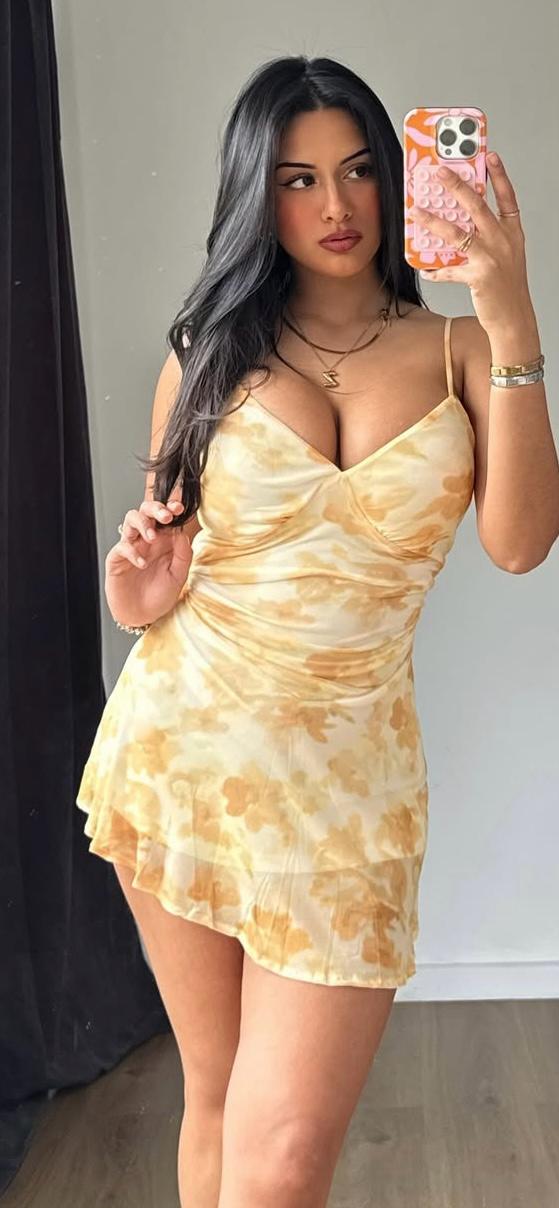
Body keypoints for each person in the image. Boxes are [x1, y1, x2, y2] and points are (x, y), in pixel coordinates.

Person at [76, 54, 552, 1208]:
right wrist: (136, 586)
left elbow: (520, 541)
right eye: (296, 180)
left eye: (355, 171)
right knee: (215, 1092)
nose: (334, 206)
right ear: (258, 194)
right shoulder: (206, 351)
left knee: (284, 1153)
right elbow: (154, 580)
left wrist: (508, 310)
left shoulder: (458, 352)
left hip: (349, 795)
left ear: (394, 177)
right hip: (183, 758)